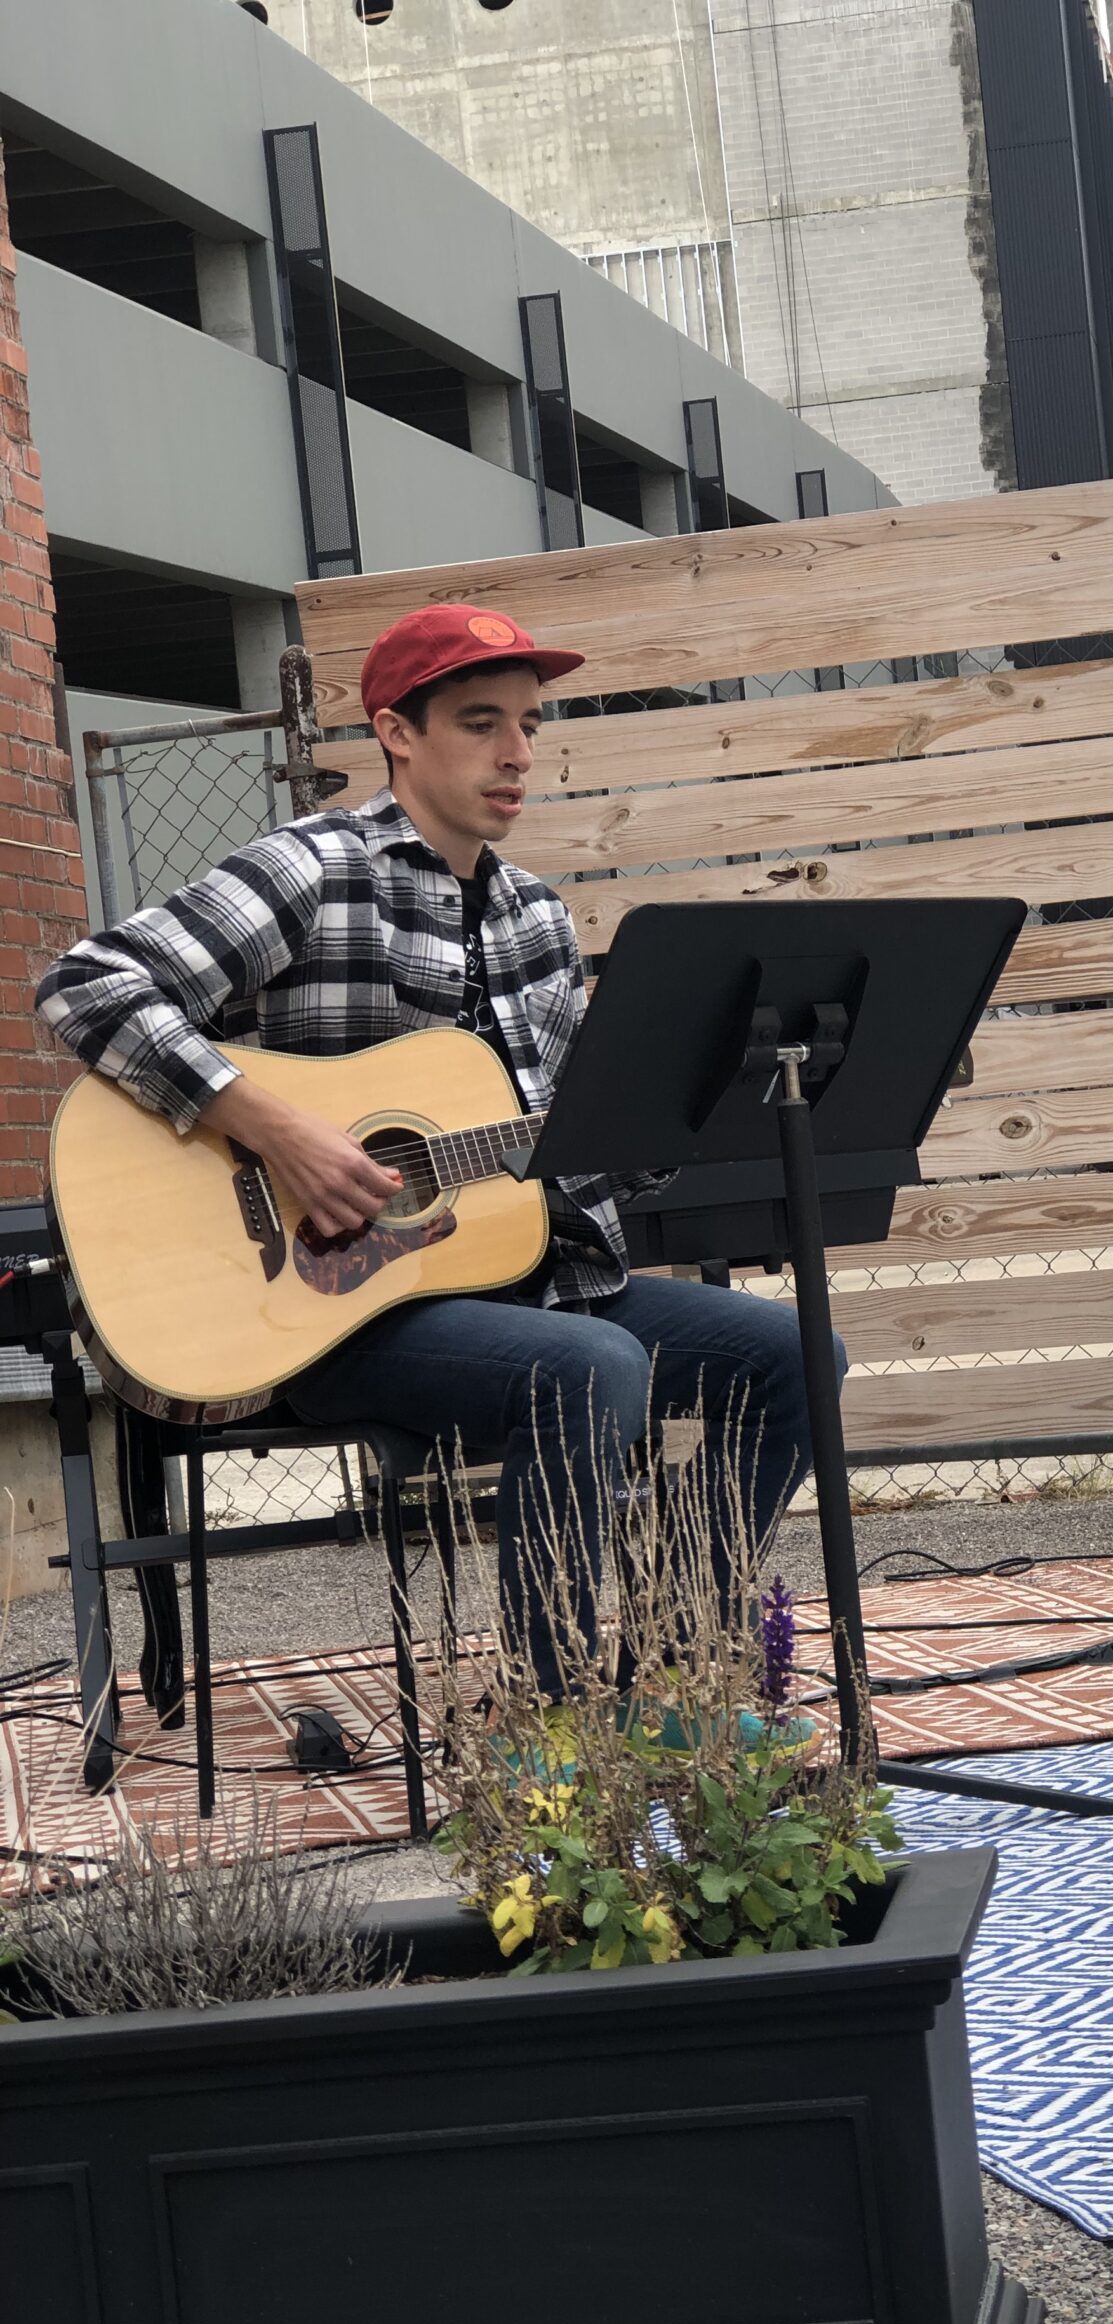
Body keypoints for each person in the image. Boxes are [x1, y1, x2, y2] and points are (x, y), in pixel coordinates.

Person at [38, 604, 835, 1699]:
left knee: (797, 1355)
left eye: (529, 725)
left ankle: (672, 1644)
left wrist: (671, 1111)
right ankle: (552, 1722)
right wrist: (278, 1131)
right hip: (326, 1306)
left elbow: (566, 1151)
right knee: (593, 1368)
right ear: (396, 733)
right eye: (480, 722)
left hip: (532, 1286)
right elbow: (86, 985)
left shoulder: (538, 921)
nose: (517, 754)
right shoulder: (311, 873)